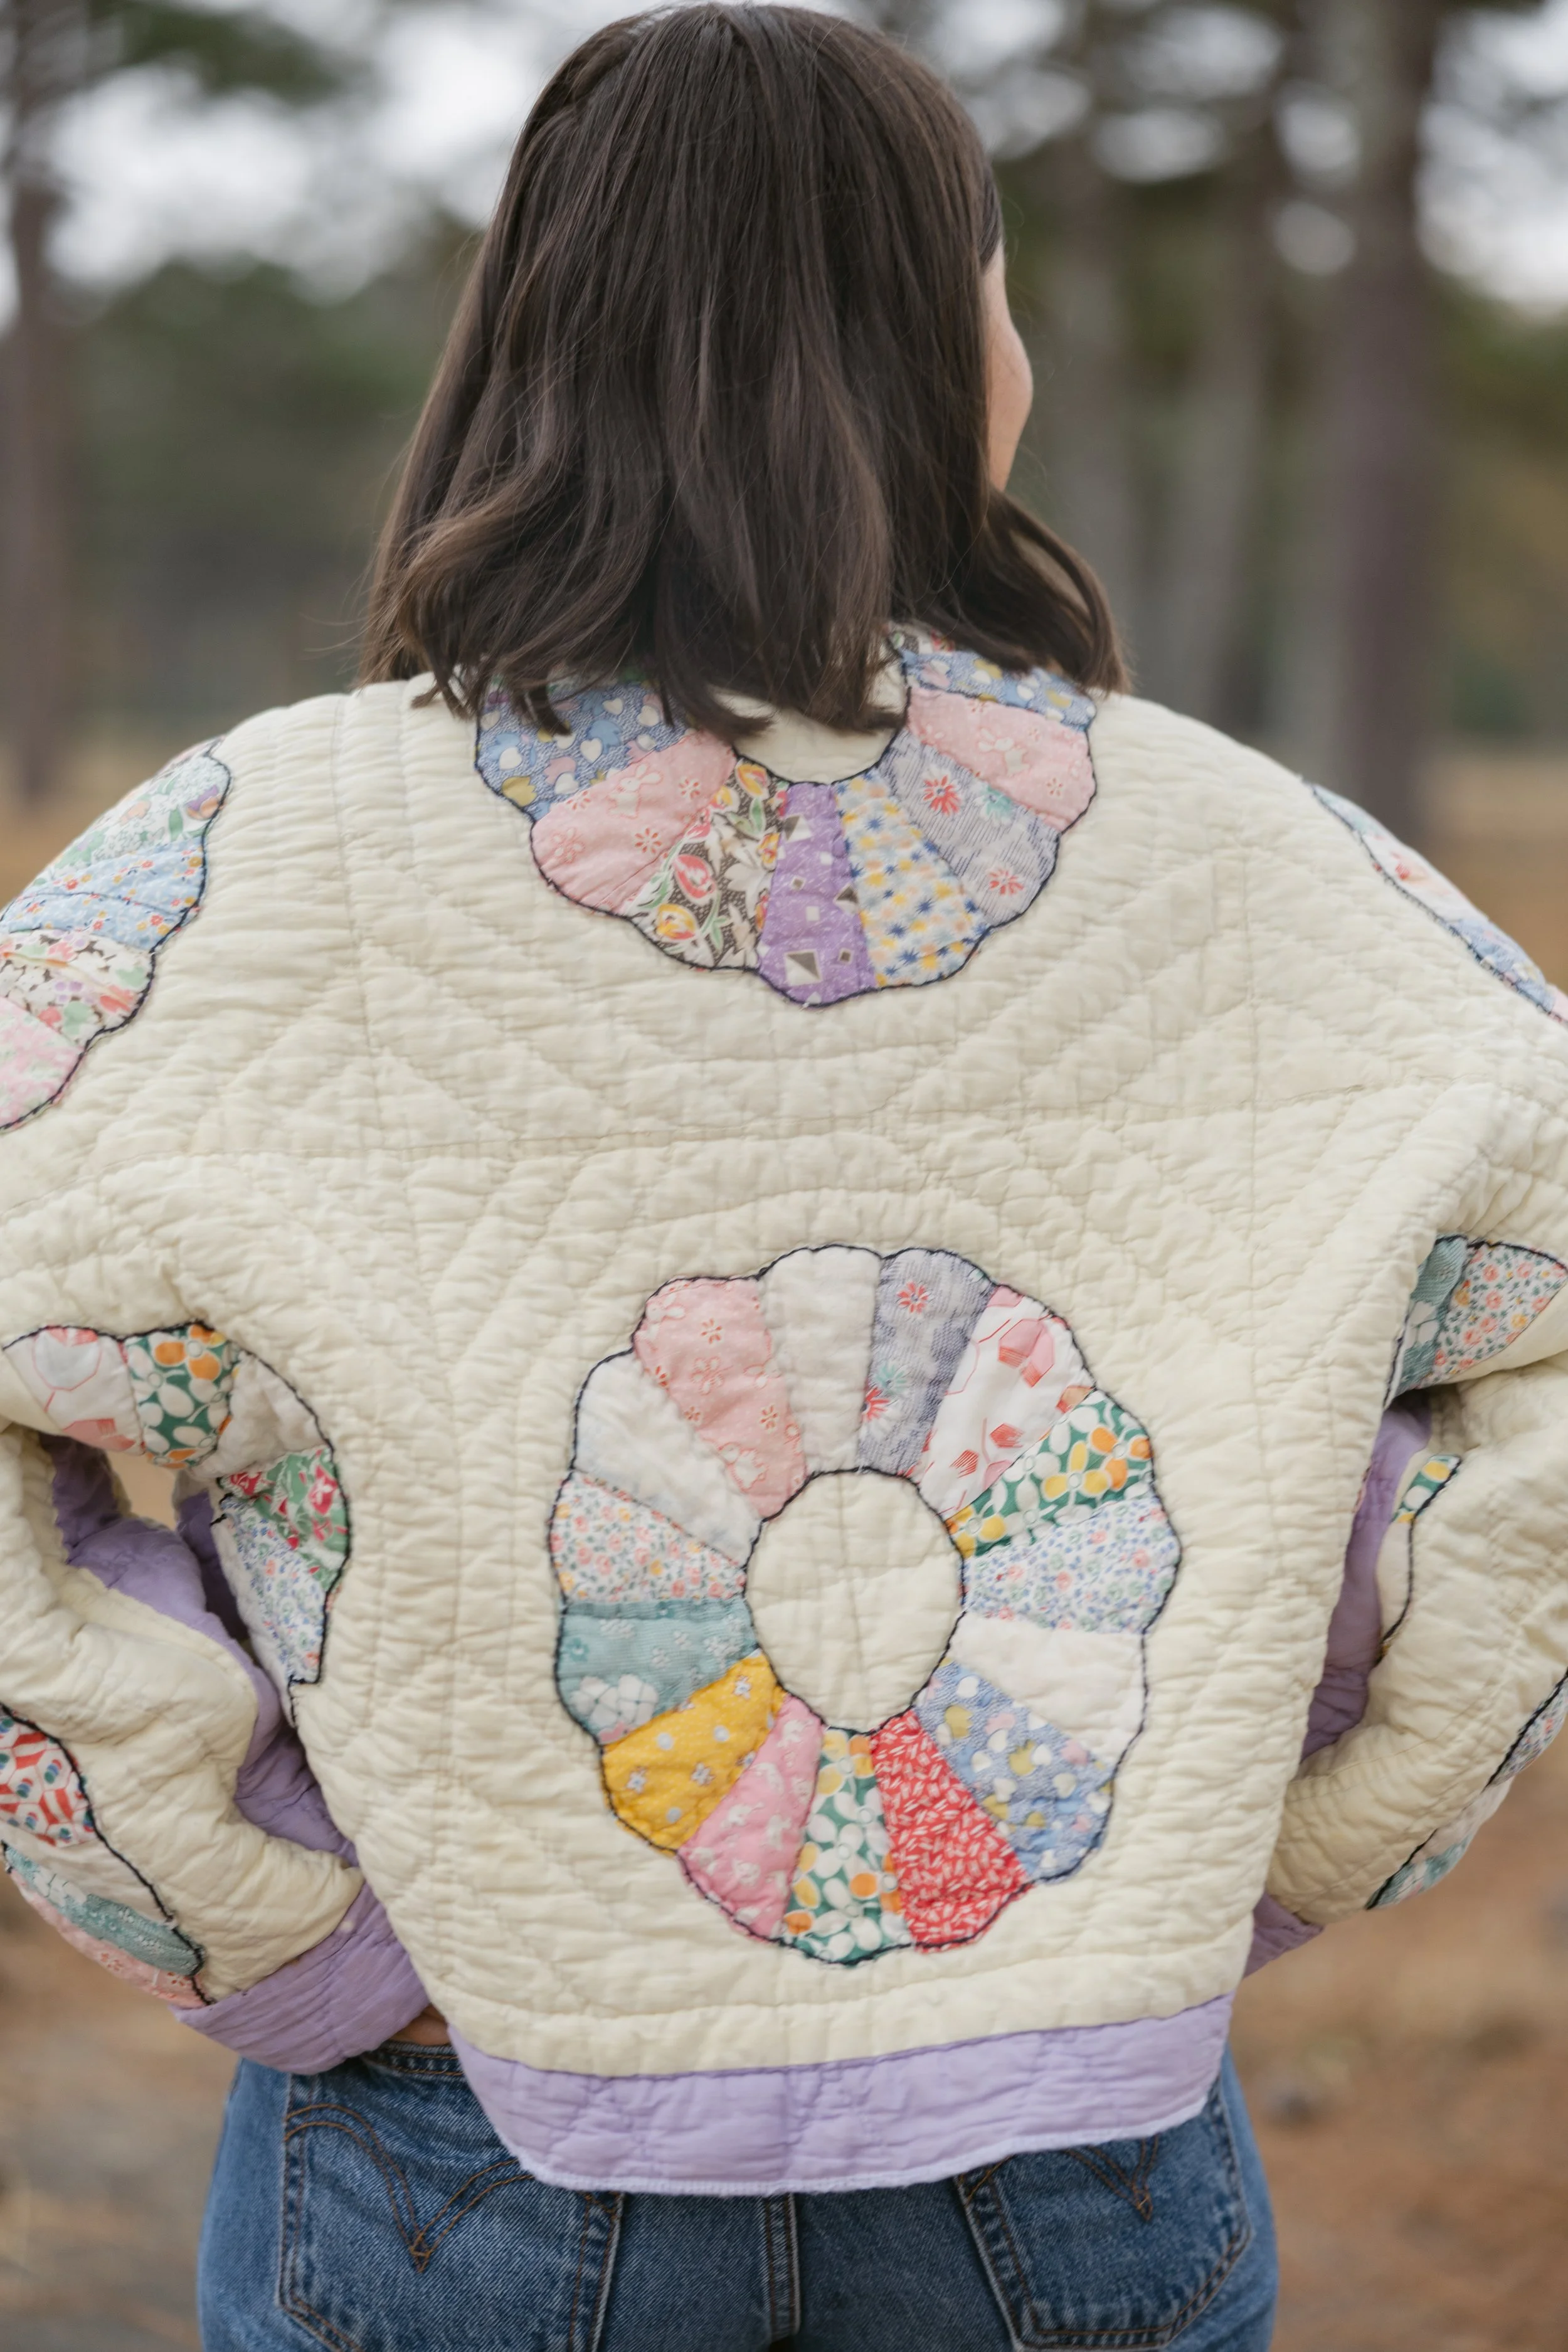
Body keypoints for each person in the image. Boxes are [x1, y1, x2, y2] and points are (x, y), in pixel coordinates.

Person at [1, 7, 1565, 2347]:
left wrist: (283, 1924)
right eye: (998, 282)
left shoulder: (233, 862)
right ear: (951, 354)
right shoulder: (1260, 863)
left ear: (525, 341)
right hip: (1080, 2163)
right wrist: (1260, 1837)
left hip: (455, 2152)